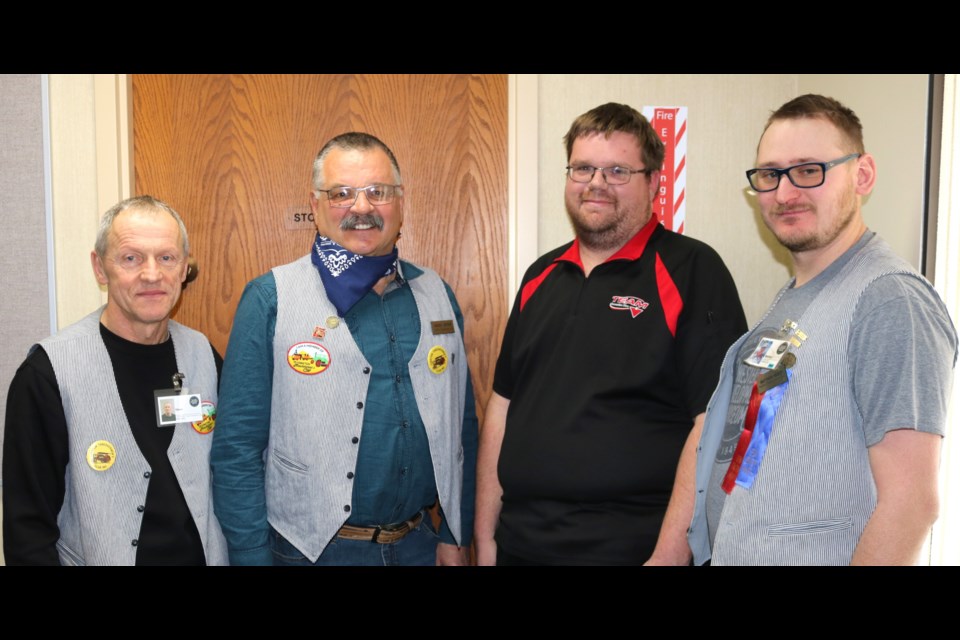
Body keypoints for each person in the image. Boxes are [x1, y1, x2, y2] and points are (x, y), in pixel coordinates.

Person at [650, 94, 958, 566]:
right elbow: (740, 439)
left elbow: (912, 503)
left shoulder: (889, 300)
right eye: (770, 174)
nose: (785, 192)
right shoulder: (794, 298)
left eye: (809, 170)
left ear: (863, 175)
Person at [476, 103, 747, 565]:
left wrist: (668, 556)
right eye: (583, 168)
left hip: (632, 548)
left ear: (654, 183)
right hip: (522, 544)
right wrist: (485, 541)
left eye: (618, 170)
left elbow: (717, 422)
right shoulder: (540, 276)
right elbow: (501, 409)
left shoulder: (692, 270)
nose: (596, 183)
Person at [211, 132, 477, 566]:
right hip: (310, 552)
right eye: (342, 194)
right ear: (315, 207)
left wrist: (454, 532)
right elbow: (236, 450)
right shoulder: (270, 298)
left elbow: (461, 427)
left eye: (378, 192)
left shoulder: (437, 294)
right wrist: (250, 557)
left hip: (418, 547)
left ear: (401, 202)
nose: (362, 208)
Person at [3, 195, 228, 566]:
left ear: (184, 267)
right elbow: (27, 529)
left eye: (167, 258)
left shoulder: (204, 354)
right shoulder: (48, 374)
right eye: (131, 258)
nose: (152, 274)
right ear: (99, 267)